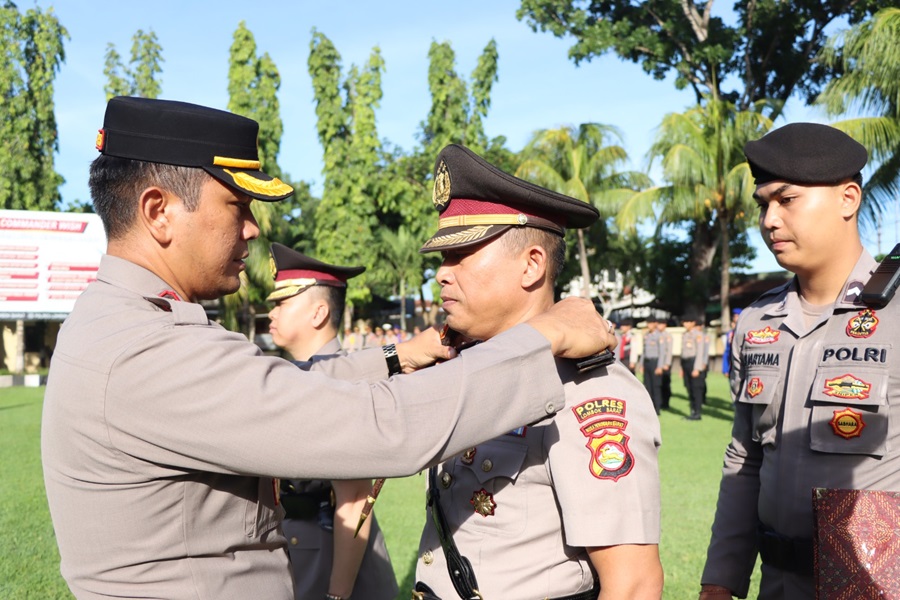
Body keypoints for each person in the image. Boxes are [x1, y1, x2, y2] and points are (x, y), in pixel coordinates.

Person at [40, 97, 617, 600]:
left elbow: (279, 392)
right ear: (158, 212)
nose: (252, 229)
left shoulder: (123, 322)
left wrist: (395, 359)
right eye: (237, 206)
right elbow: (384, 429)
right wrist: (542, 337)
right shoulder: (149, 351)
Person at [413, 144, 663, 600]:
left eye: (460, 254)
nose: (443, 275)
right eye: (443, 258)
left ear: (532, 264)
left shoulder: (586, 390)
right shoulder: (472, 368)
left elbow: (633, 584)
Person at [699, 123, 900, 599]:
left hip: (871, 585)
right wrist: (720, 578)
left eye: (786, 200)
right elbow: (745, 459)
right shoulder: (757, 321)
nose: (769, 220)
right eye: (763, 204)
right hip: (778, 584)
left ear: (848, 199)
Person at [266, 242, 398, 600]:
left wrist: (337, 594)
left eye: (283, 303)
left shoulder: (341, 387)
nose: (271, 313)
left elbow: (354, 499)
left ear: (318, 312)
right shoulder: (301, 378)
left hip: (332, 561)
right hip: (305, 549)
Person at [679, 313, 709, 420]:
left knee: (696, 388)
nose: (686, 324)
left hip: (694, 362)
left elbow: (700, 352)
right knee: (689, 387)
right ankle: (692, 411)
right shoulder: (685, 334)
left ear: (693, 323)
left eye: (688, 322)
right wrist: (681, 367)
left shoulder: (698, 335)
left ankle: (697, 412)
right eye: (684, 322)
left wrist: (697, 368)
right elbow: (683, 352)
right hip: (686, 363)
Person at [642, 316, 663, 414]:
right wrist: (641, 364)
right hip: (647, 362)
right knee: (647, 386)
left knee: (656, 386)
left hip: (655, 362)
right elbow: (644, 351)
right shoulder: (646, 335)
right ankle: (649, 408)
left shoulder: (659, 336)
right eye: (648, 323)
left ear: (655, 324)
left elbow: (662, 352)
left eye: (651, 323)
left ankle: (657, 408)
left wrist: (660, 366)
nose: (649, 325)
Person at [658, 319, 673, 409]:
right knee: (658, 384)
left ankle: (666, 403)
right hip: (658, 363)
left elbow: (669, 351)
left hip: (665, 363)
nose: (659, 326)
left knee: (665, 383)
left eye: (661, 324)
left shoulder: (667, 336)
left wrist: (667, 363)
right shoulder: (656, 335)